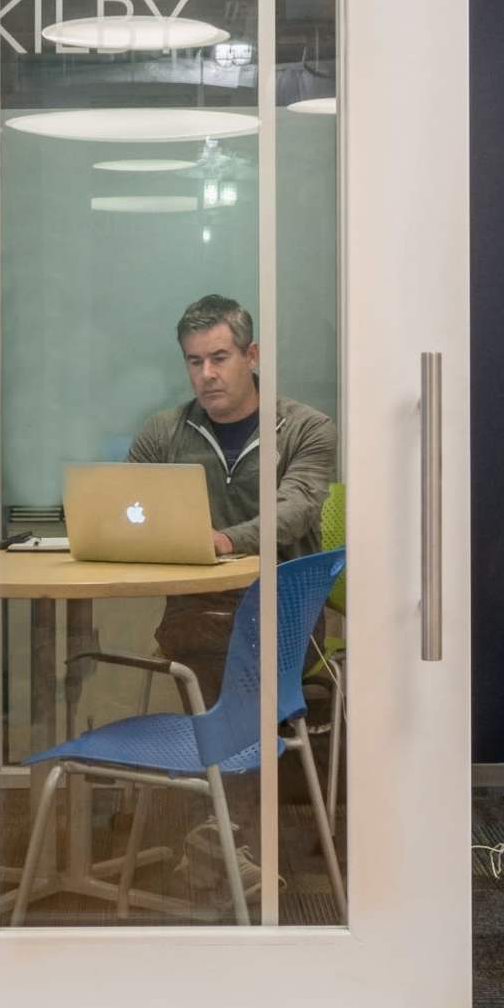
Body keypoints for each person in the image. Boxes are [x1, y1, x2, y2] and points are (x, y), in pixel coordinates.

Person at [125, 294, 337, 703]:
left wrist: (224, 540)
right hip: (195, 612)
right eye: (194, 361)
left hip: (284, 612)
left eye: (219, 358)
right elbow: (126, 503)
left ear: (251, 355)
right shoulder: (164, 432)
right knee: (199, 642)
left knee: (209, 650)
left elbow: (296, 510)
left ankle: (223, 757)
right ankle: (228, 756)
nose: (206, 374)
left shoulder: (306, 429)